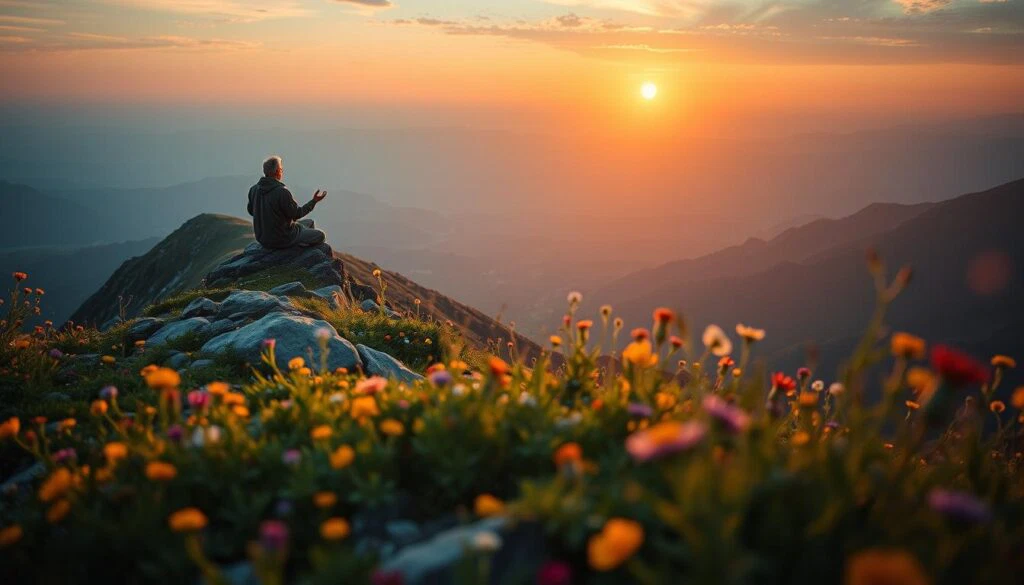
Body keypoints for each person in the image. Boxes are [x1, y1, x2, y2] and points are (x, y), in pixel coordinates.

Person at [247, 155, 328, 248]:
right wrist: (314, 201)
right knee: (321, 235)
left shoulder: (253, 190)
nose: (282, 172)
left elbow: (251, 211)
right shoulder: (282, 192)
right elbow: (297, 214)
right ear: (277, 171)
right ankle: (301, 251)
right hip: (283, 238)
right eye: (281, 169)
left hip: (263, 239)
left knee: (310, 222)